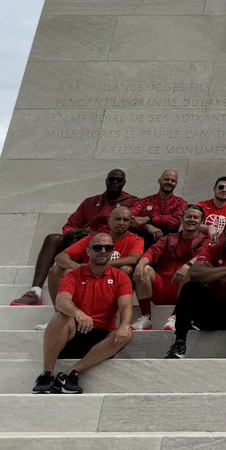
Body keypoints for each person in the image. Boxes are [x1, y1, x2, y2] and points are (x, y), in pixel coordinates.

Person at [11, 169, 135, 307]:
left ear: (124, 183)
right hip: (82, 240)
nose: (114, 183)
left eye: (118, 180)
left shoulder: (130, 202)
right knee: (53, 238)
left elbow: (131, 224)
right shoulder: (90, 202)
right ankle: (35, 291)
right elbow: (69, 225)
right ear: (106, 181)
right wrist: (74, 232)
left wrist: (96, 236)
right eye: (111, 179)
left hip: (103, 245)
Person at [32, 232, 133, 394]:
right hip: (74, 335)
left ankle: (70, 373)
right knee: (61, 315)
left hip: (101, 339)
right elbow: (62, 301)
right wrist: (78, 313)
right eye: (98, 247)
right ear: (88, 251)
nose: (102, 251)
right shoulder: (73, 275)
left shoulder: (120, 277)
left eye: (108, 248)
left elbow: (126, 306)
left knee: (127, 332)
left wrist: (125, 324)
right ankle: (47, 375)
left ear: (112, 251)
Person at [164, 218, 226, 359]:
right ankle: (179, 343)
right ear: (224, 233)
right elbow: (196, 273)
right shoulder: (211, 250)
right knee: (190, 287)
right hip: (209, 313)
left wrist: (213, 273)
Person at [46, 207, 144, 306]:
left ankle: (115, 313)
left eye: (125, 220)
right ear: (109, 221)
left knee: (126, 269)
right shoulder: (95, 238)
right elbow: (60, 257)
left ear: (130, 222)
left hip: (111, 280)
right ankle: (60, 314)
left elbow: (134, 258)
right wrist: (80, 268)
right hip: (88, 278)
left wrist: (100, 265)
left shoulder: (136, 240)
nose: (121, 223)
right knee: (56, 270)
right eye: (118, 219)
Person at [131, 204, 207, 331]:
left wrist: (186, 266)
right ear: (182, 219)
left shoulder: (205, 240)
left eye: (196, 217)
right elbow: (152, 252)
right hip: (161, 288)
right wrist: (140, 264)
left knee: (192, 270)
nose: (192, 220)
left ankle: (176, 316)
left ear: (201, 222)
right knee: (145, 269)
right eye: (189, 216)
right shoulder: (169, 238)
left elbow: (204, 256)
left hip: (184, 290)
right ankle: (146, 317)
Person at [127, 169, 187, 245]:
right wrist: (148, 226)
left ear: (176, 184)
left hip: (167, 245)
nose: (169, 182)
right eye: (167, 179)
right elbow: (129, 218)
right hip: (141, 244)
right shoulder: (144, 201)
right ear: (159, 181)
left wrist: (150, 219)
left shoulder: (180, 203)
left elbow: (176, 220)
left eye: (173, 181)